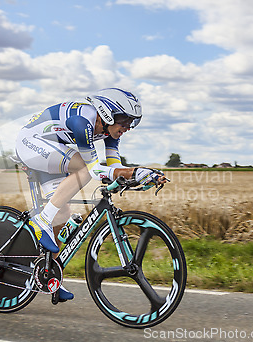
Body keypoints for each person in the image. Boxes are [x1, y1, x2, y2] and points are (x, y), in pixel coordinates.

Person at [15, 88, 167, 301]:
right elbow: (95, 170)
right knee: (84, 168)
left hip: (52, 147)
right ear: (107, 112)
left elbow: (115, 170)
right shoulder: (82, 121)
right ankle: (41, 220)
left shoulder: (110, 133)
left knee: (63, 212)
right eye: (124, 120)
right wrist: (134, 171)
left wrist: (139, 177)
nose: (127, 128)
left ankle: (49, 276)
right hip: (31, 143)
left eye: (131, 123)